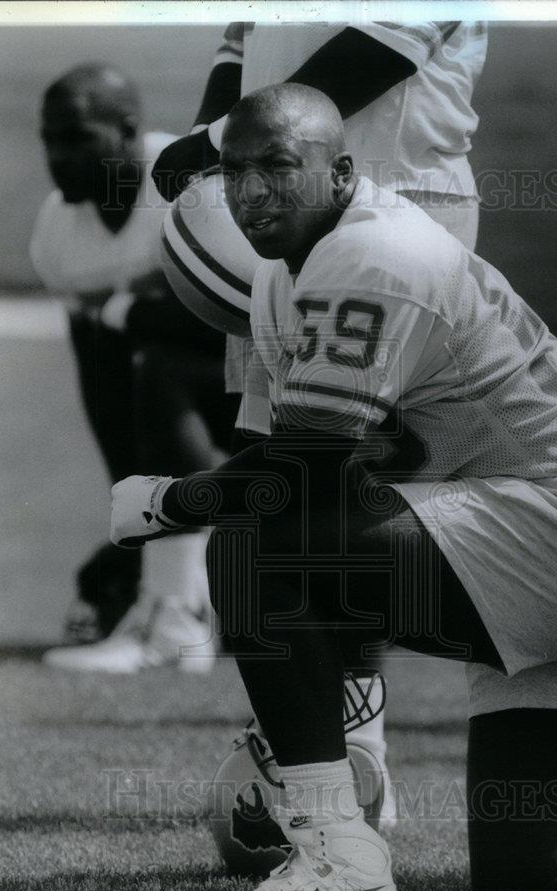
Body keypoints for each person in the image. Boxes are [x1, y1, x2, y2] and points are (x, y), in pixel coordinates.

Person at [112, 85, 557, 891]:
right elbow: (303, 478)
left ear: (340, 172)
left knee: (253, 539)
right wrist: (320, 712)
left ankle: (339, 860)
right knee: (535, 872)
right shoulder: (283, 275)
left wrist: (163, 503)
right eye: (235, 171)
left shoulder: (373, 255)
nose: (253, 190)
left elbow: (296, 475)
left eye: (279, 166)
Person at [153, 19, 488, 824]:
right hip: (271, 202)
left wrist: (209, 142)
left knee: (335, 475)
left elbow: (377, 48)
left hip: (396, 196)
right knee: (270, 458)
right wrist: (218, 168)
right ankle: (318, 740)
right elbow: (241, 38)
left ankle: (356, 738)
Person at [30, 63, 237, 672]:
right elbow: (100, 374)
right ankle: (178, 599)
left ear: (127, 130)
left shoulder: (191, 191)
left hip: (272, 390)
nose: (57, 157)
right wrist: (137, 521)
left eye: (76, 138)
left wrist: (124, 309)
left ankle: (183, 612)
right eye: (49, 140)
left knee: (163, 367)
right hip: (183, 406)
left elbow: (238, 328)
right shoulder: (55, 236)